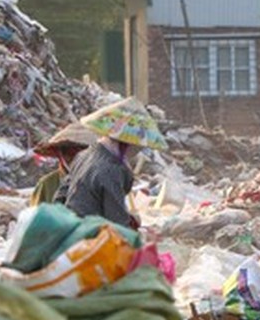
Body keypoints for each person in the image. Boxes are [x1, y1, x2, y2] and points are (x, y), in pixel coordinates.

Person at [54, 96, 167, 230]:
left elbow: (60, 198)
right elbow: (117, 222)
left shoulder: (83, 155)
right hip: (88, 236)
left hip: (68, 229)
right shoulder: (112, 169)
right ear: (128, 143)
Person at [29, 123, 96, 207]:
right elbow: (37, 216)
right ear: (59, 154)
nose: (76, 158)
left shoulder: (101, 180)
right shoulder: (47, 184)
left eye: (81, 152)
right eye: (69, 153)